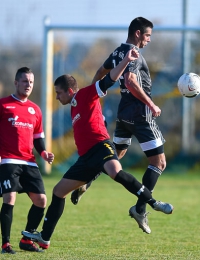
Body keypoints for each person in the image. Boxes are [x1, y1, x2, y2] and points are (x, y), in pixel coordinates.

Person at [21, 48, 173, 250]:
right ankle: (45, 238)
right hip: (85, 159)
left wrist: (126, 59)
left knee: (115, 172)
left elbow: (109, 79)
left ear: (69, 90)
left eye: (58, 93)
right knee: (58, 191)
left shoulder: (85, 94)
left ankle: (153, 203)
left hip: (101, 147)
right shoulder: (74, 106)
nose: (57, 97)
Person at [71, 17, 166, 234]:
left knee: (115, 156)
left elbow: (100, 74)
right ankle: (140, 209)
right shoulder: (134, 54)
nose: (149, 40)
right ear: (137, 34)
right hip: (140, 114)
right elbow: (131, 81)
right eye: (148, 35)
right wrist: (151, 104)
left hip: (124, 113)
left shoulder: (116, 52)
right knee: (159, 163)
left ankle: (87, 180)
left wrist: (94, 97)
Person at [0, 67, 54, 254]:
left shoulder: (35, 110)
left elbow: (38, 137)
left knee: (41, 200)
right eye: (24, 81)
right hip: (8, 160)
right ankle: (5, 244)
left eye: (31, 82)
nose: (28, 85)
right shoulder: (4, 105)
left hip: (29, 161)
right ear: (16, 83)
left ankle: (27, 239)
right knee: (10, 197)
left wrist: (44, 152)